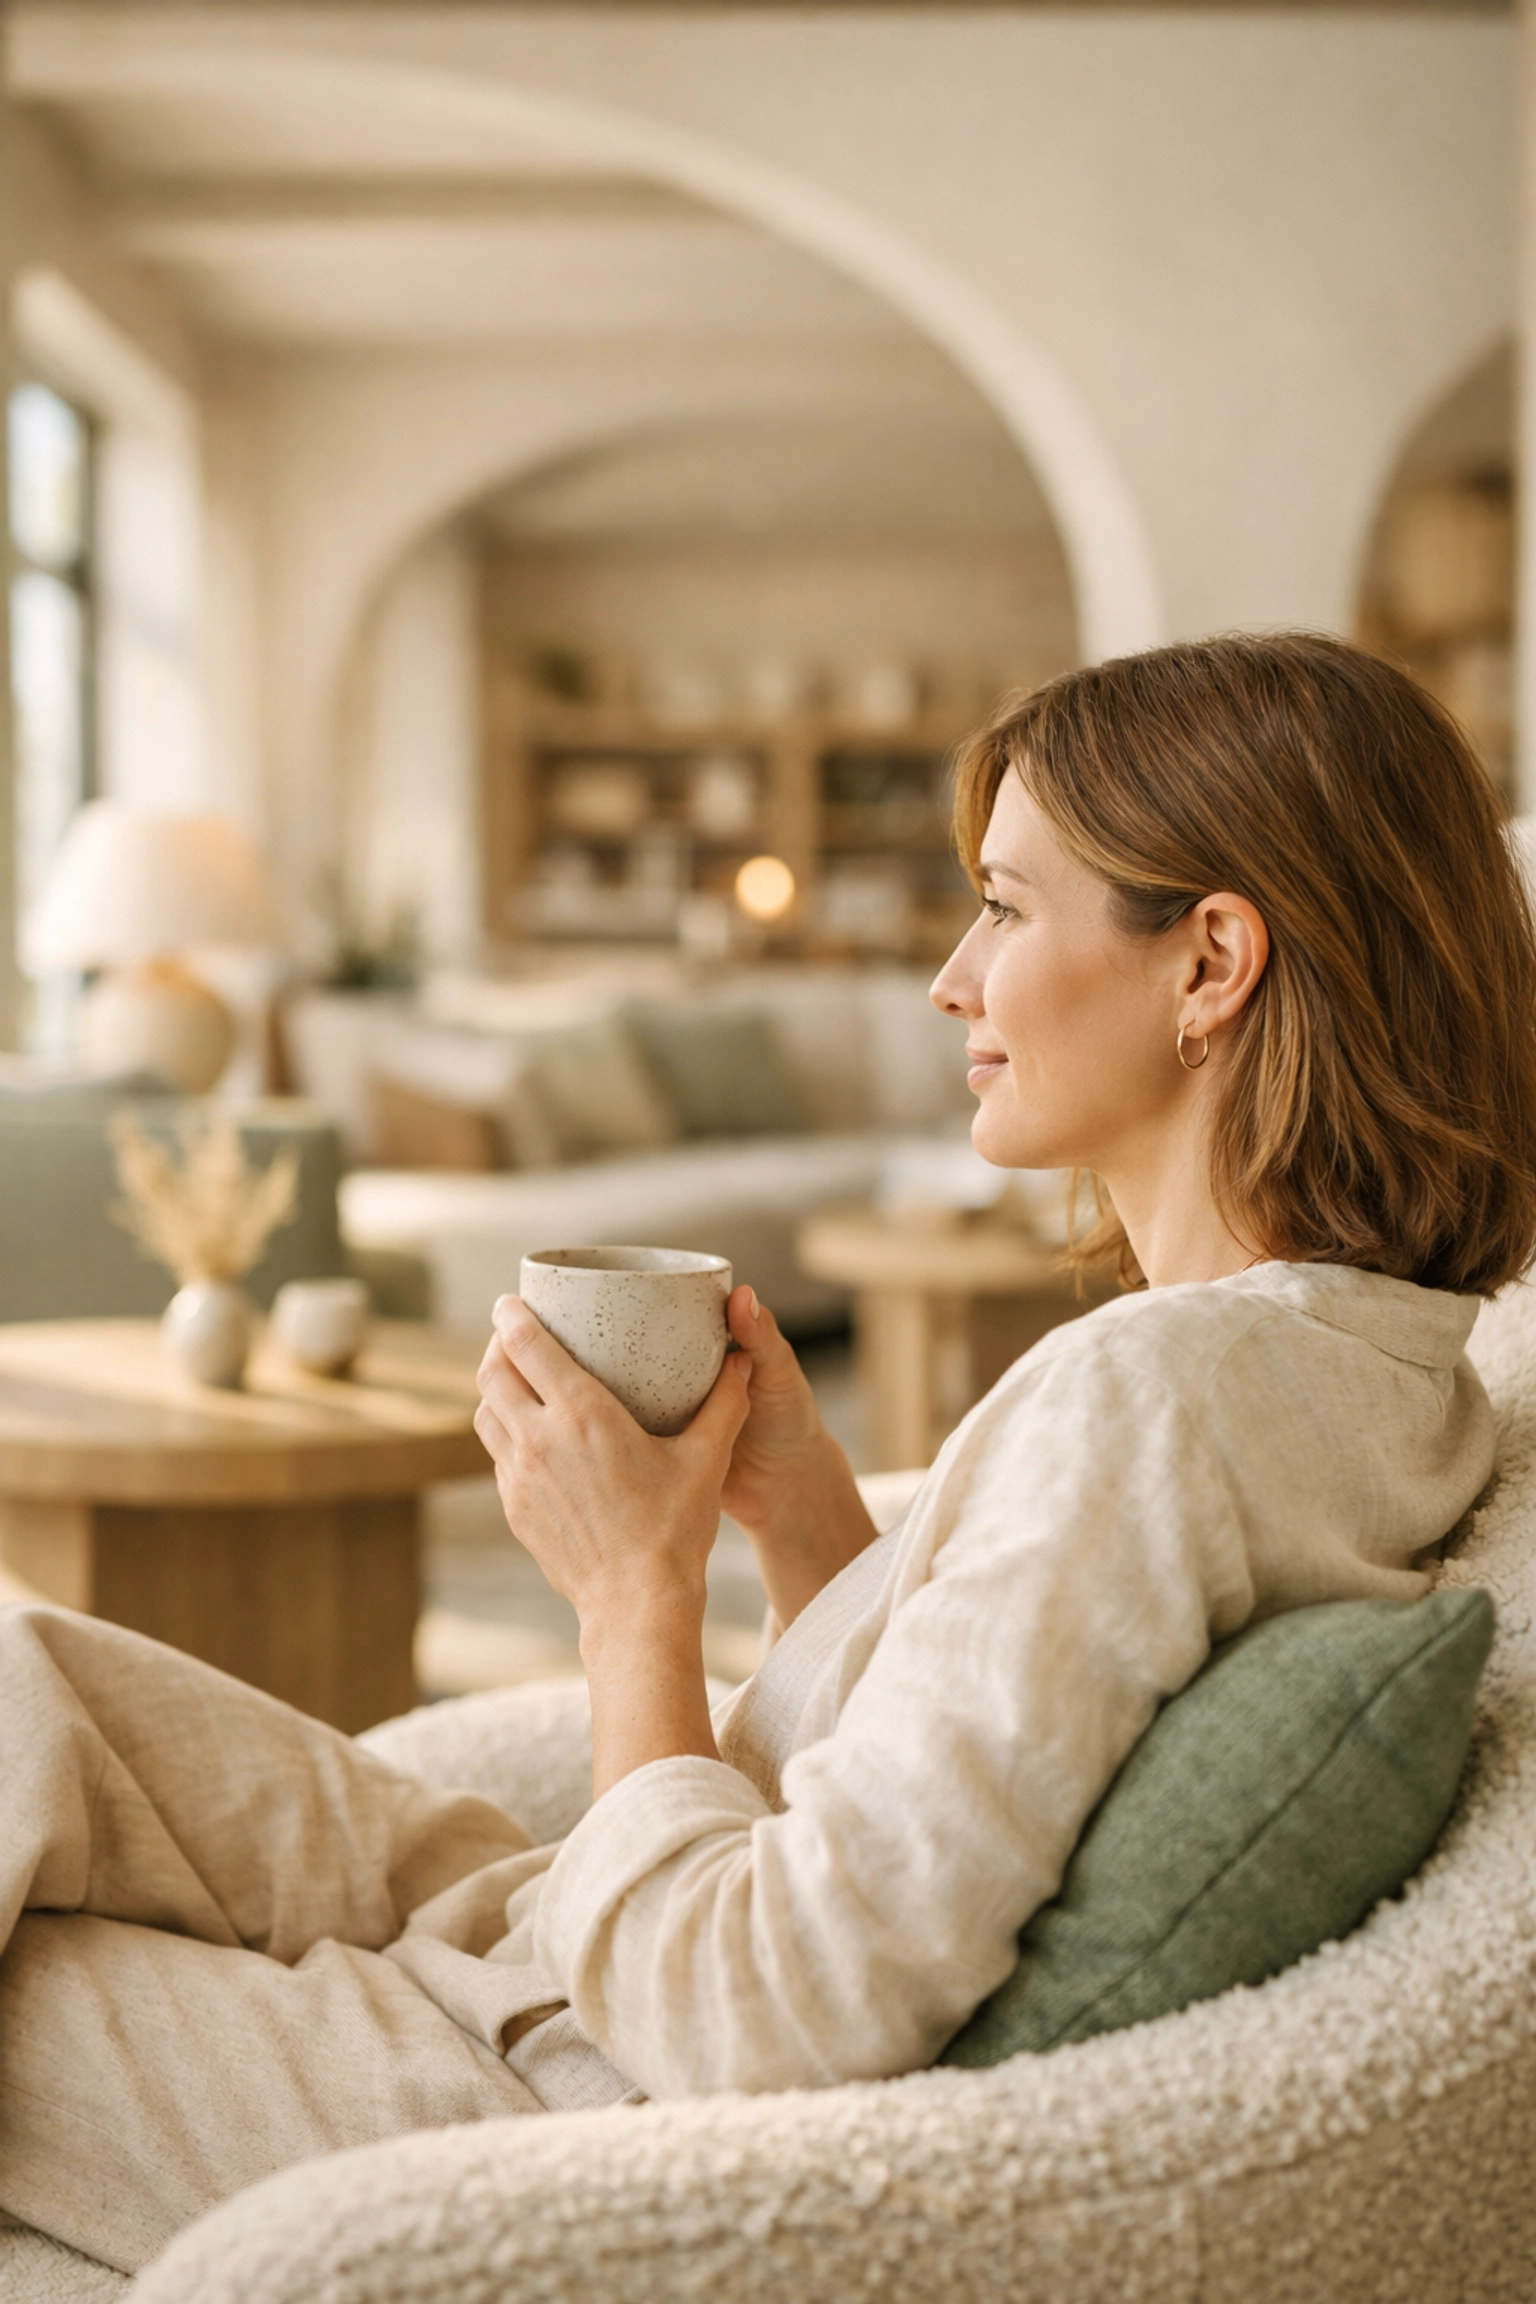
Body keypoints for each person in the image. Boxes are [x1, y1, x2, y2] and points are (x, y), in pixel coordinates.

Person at [4, 632, 1534, 2276]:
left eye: (1008, 908)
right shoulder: (1370, 1366)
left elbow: (764, 2014)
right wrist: (807, 1519)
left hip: (558, 2092)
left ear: (1212, 960)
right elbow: (981, 1747)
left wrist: (629, 1594)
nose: (952, 975)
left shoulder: (1153, 1401)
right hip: (560, 1932)